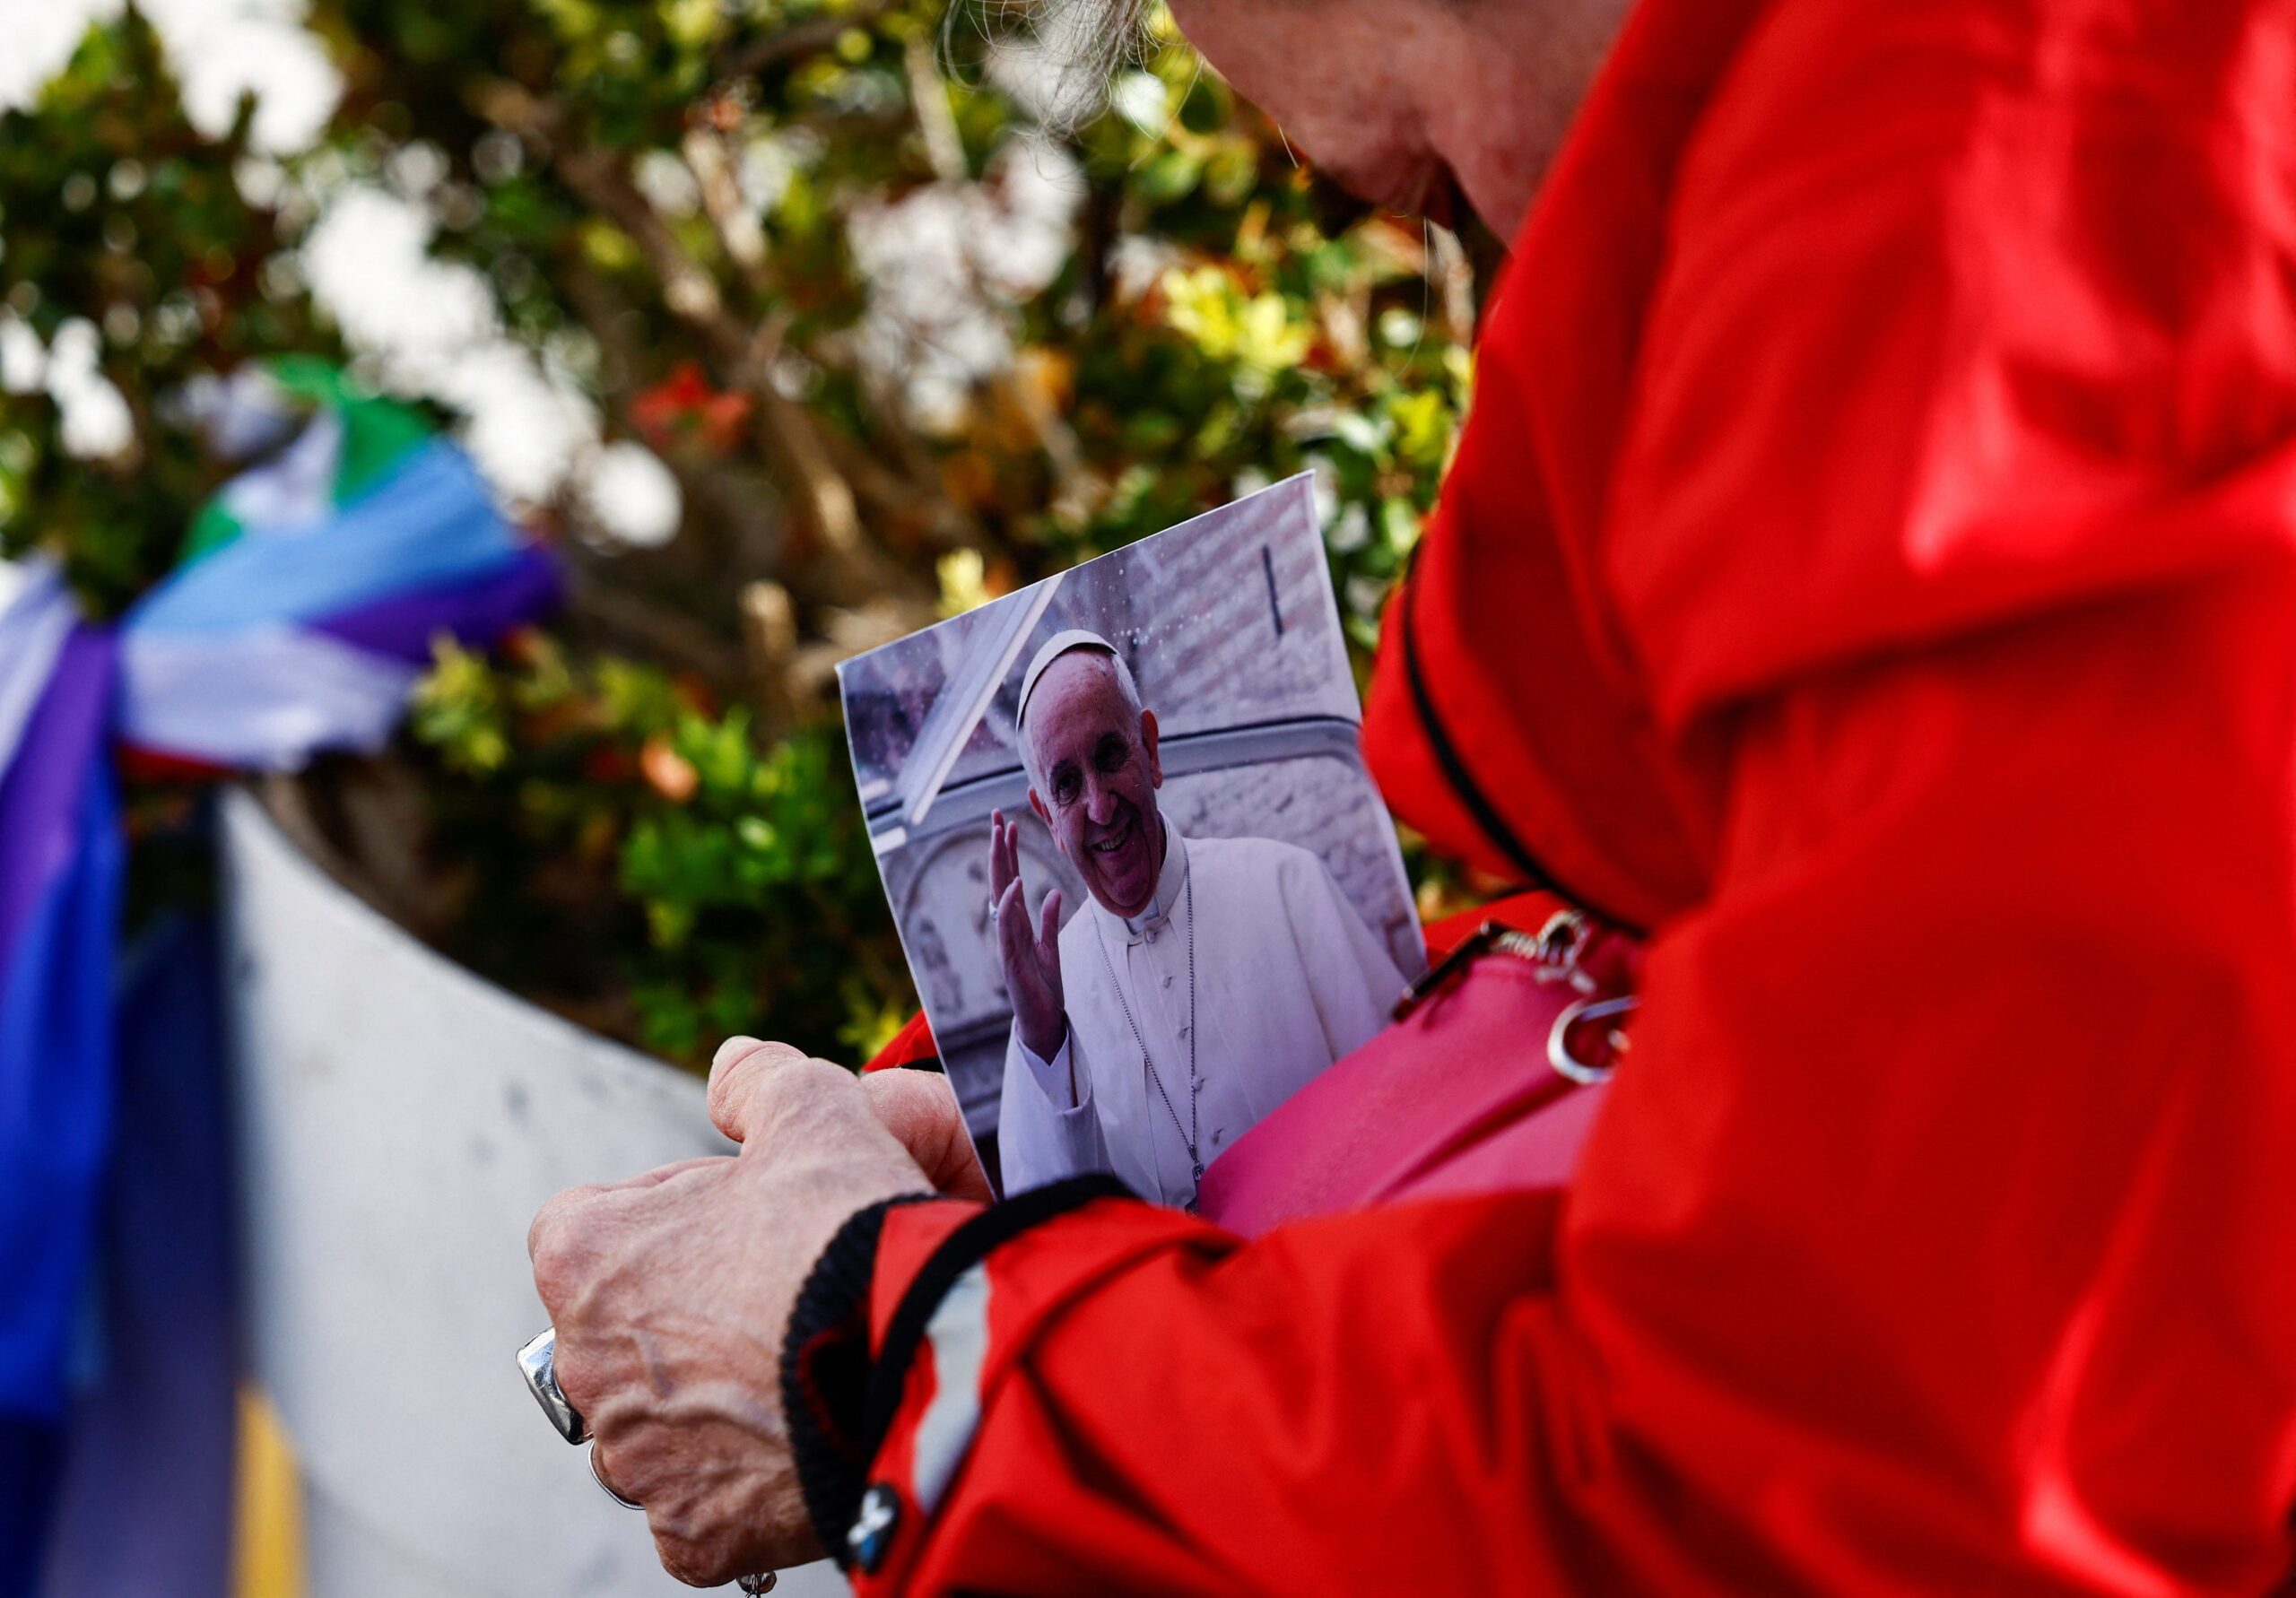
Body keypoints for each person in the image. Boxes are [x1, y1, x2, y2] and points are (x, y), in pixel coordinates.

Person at [527, 0, 2296, 1590]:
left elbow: (1797, 1494)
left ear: (1147, 756)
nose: (1294, 140)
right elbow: (1862, 1000)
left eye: (1436, 207)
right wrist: (1016, 1140)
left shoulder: (1964, 195)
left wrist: (878, 1341)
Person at [988, 630, 1406, 1205]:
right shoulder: (1048, 1008)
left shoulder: (1285, 885)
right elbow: (1056, 1239)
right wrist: (1047, 1045)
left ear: (1151, 751)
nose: (1101, 805)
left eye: (1112, 757)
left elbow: (1403, 1098)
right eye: (1067, 785)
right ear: (1047, 818)